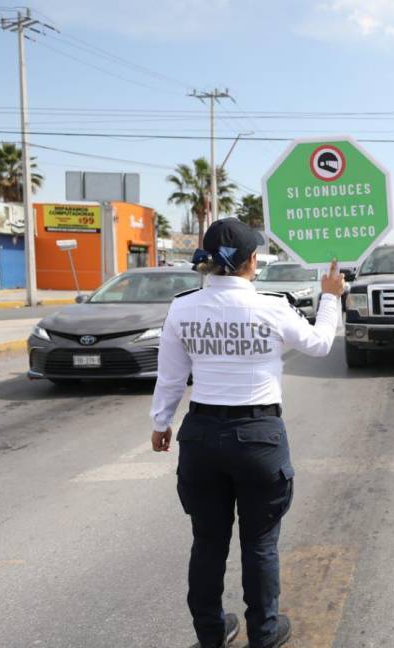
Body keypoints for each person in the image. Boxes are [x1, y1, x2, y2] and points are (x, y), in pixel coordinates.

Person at [150, 217, 346, 648]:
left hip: (200, 436)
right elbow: (319, 344)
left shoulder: (183, 307)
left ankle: (211, 633)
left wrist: (161, 423)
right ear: (251, 261)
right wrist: (330, 299)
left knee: (207, 542)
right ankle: (263, 632)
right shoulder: (271, 306)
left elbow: (171, 377)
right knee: (260, 544)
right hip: (259, 437)